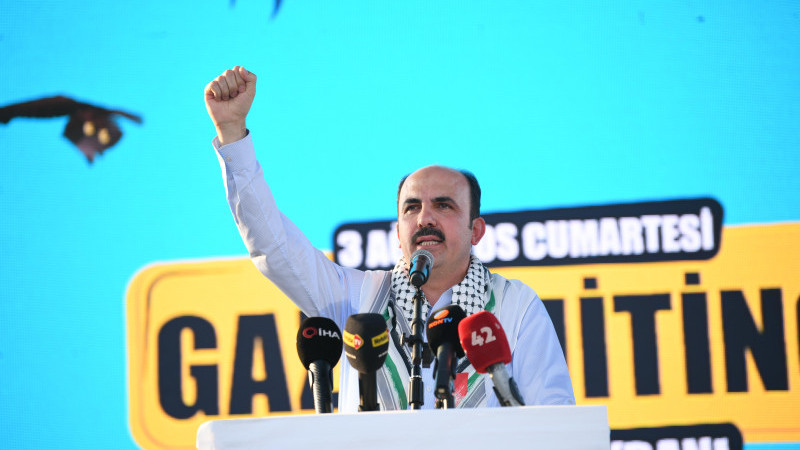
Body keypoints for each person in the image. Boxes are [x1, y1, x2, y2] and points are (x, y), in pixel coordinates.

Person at [205, 66, 575, 412]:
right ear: (398, 233)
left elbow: (555, 421)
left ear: (475, 230)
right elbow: (274, 247)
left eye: (443, 205)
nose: (425, 218)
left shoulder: (515, 306)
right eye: (412, 208)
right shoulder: (358, 300)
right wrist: (232, 133)